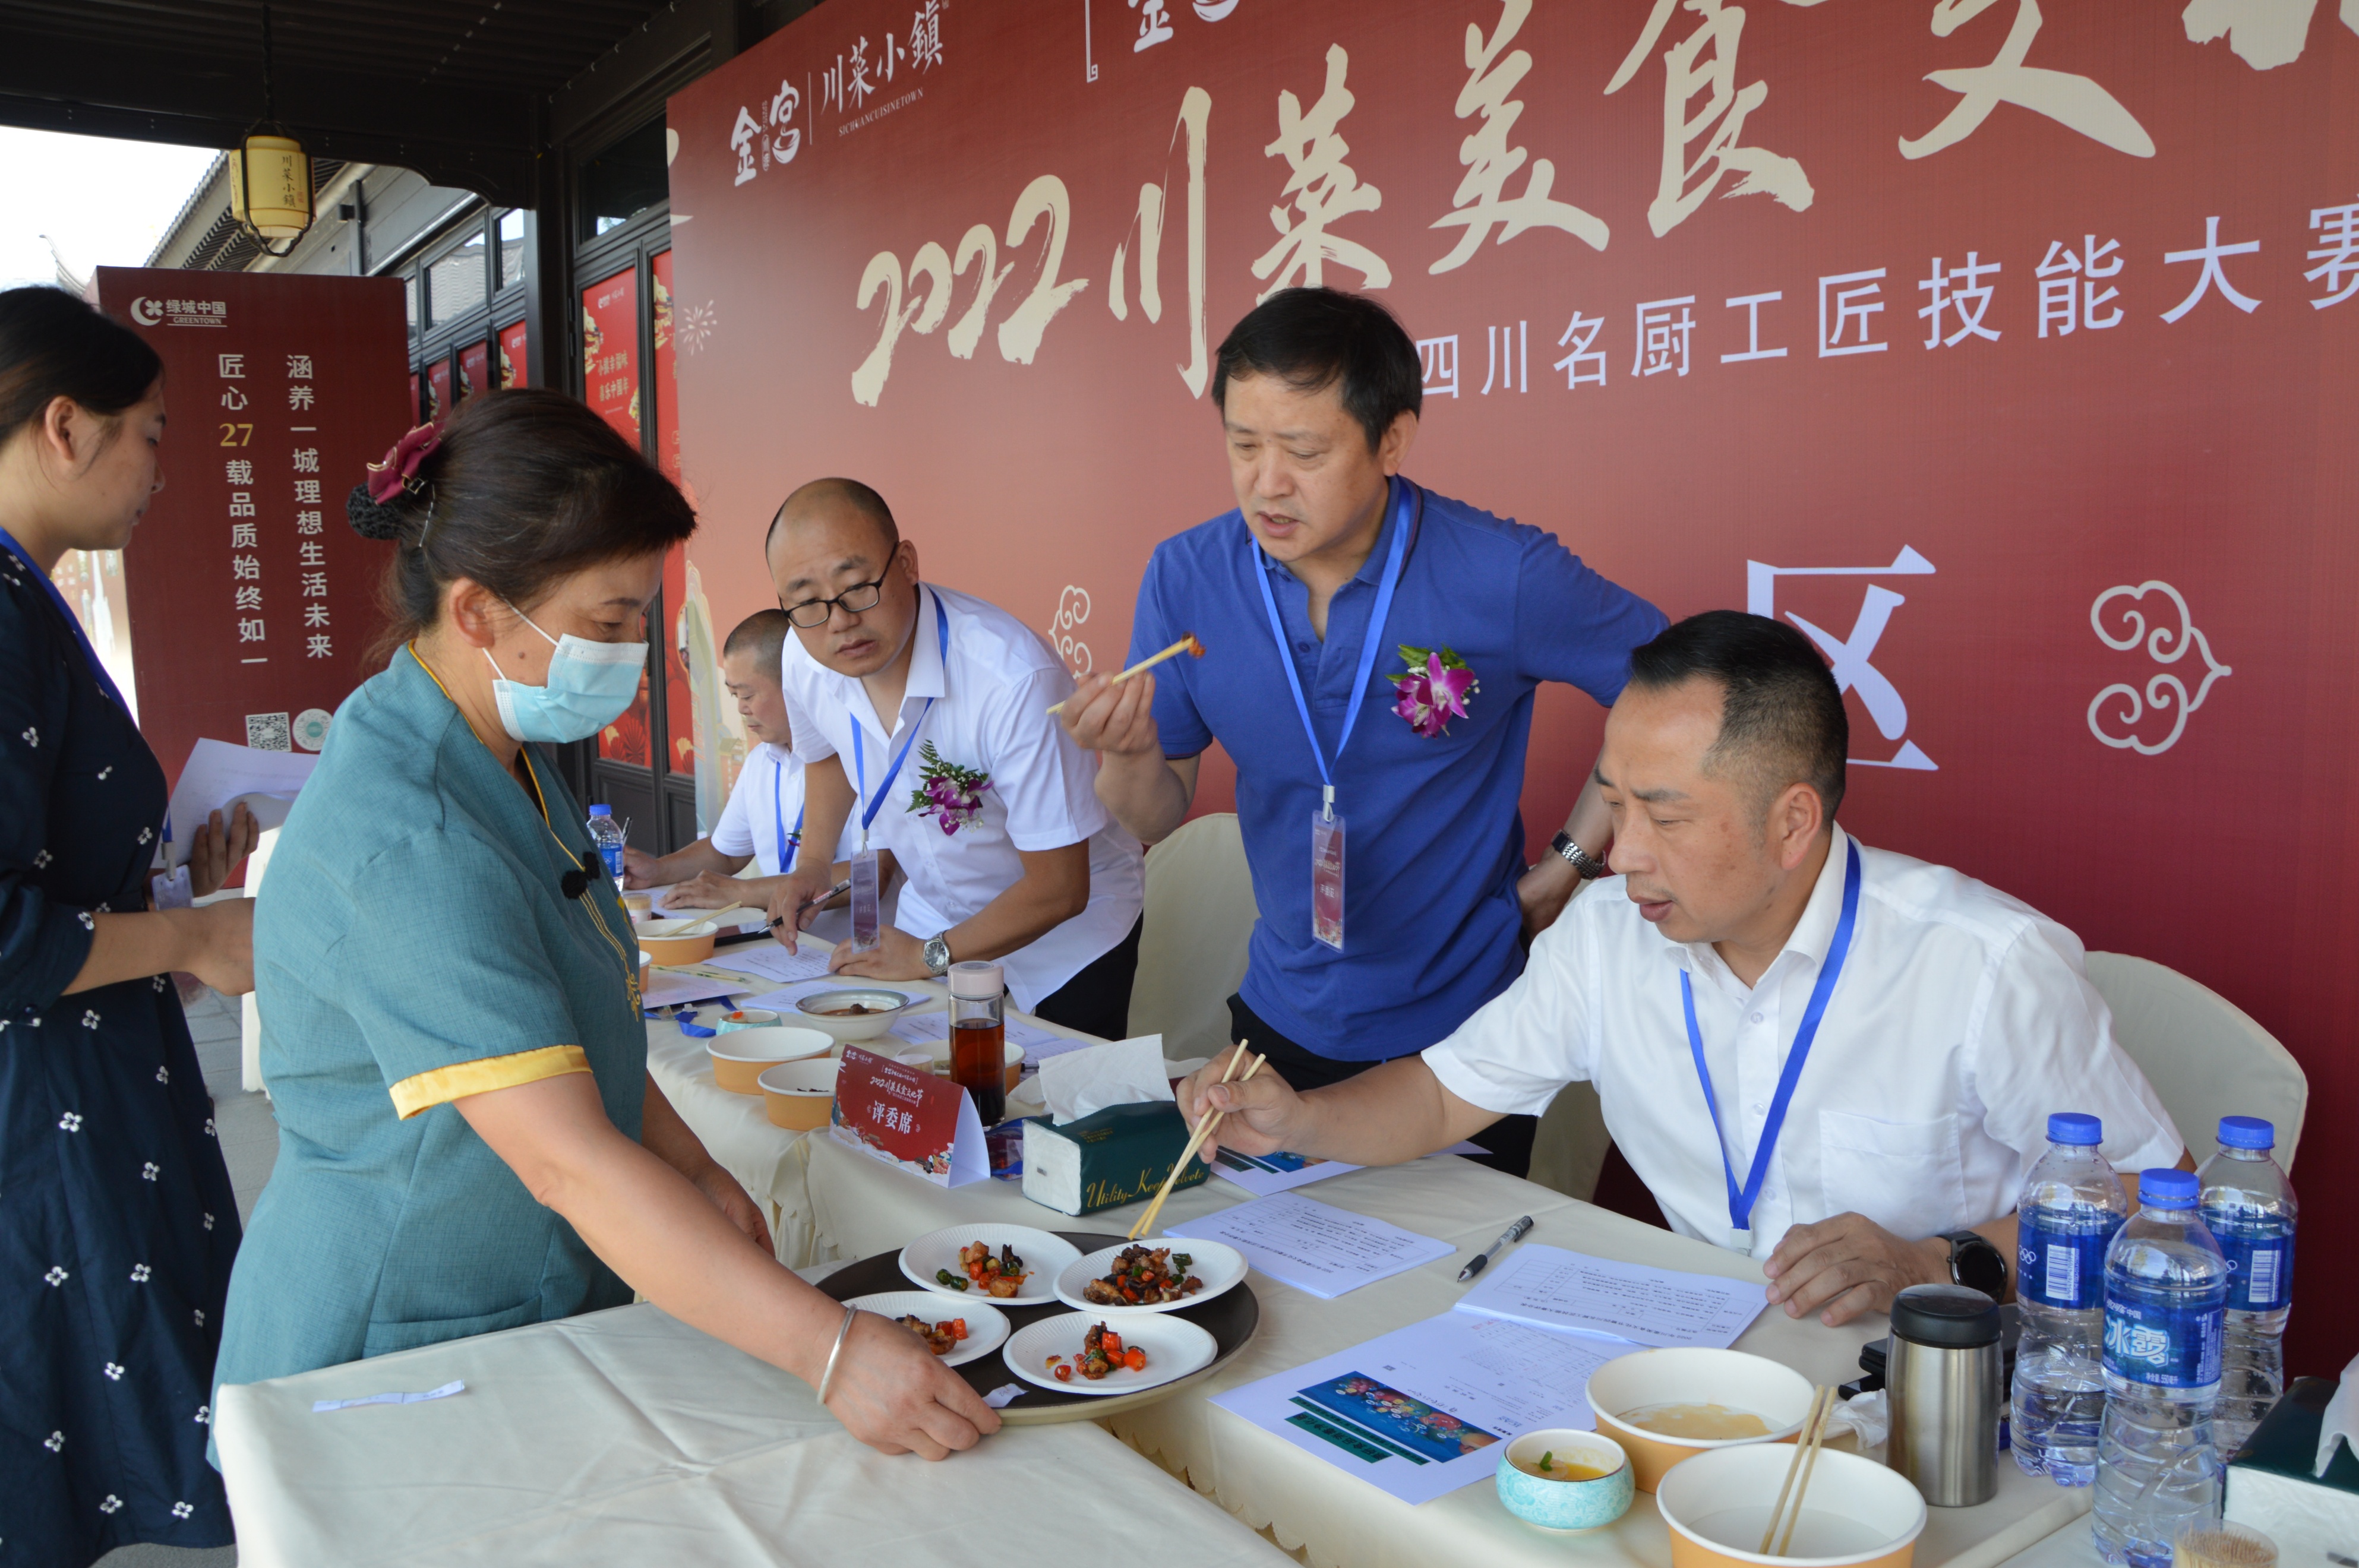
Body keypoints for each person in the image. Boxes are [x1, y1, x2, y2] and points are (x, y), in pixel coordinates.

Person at [214, 393, 997, 1462]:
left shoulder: (497, 759)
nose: (633, 650)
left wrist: (692, 1167)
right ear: (480, 610)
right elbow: (567, 1162)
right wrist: (831, 1352)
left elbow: (564, 1024)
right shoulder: (415, 839)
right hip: (392, 1342)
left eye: (641, 614)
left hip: (515, 1301)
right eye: (609, 621)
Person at [1182, 611, 2191, 1326]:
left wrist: (1943, 1260)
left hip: (1943, 1383)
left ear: (1792, 821)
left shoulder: (1980, 965)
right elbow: (1447, 1095)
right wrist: (1303, 1121)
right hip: (1698, 1349)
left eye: (1663, 816)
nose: (1620, 857)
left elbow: (2163, 1197)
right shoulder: (1607, 935)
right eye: (1615, 805)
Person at [1060, 287, 1666, 1175]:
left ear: (1391, 439)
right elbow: (1151, 815)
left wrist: (1566, 869)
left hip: (1464, 1034)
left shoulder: (1500, 572)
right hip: (1278, 1017)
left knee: (1444, 1297)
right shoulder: (1188, 575)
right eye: (1242, 444)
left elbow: (1675, 694)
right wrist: (1126, 751)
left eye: (1302, 450)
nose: (1266, 483)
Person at [0, 286, 258, 1564]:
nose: (163, 466)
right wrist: (197, 942)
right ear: (64, 427)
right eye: (150, 432)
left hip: (93, 1087)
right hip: (44, 1118)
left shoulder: (29, 599)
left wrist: (170, 894)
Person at [765, 479, 1146, 1041]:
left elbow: (1062, 888)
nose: (839, 620)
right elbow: (825, 755)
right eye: (806, 601)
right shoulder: (804, 651)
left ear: (907, 563)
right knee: (921, 1084)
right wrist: (813, 865)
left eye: (856, 587)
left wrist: (928, 955)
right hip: (933, 910)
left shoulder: (1012, 680)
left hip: (1067, 941)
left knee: (1055, 1109)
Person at [621, 609, 867, 938]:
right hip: (777, 949)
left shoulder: (863, 757)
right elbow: (725, 852)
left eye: (748, 695)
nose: (741, 708)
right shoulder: (761, 761)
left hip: (852, 953)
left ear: (797, 684)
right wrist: (658, 871)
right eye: (734, 694)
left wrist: (744, 892)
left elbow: (872, 874)